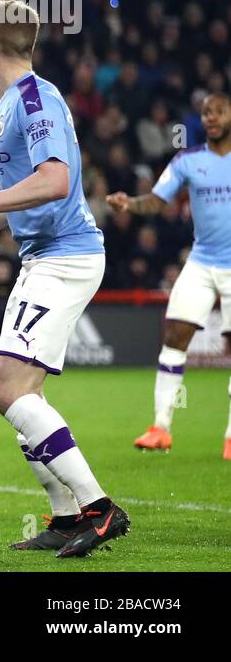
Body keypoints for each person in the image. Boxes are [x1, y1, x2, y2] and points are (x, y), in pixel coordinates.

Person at [0, 0, 129, 557]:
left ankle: (99, 509)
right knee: (21, 398)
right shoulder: (17, 101)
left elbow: (55, 181)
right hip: (47, 257)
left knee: (7, 391)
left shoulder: (33, 99)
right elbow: (21, 199)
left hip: (66, 257)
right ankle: (64, 518)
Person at [106, 92, 231, 459]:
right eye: (206, 113)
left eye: (219, 112)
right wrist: (130, 203)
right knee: (174, 336)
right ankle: (161, 426)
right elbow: (159, 200)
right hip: (201, 261)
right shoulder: (187, 160)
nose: (211, 118)